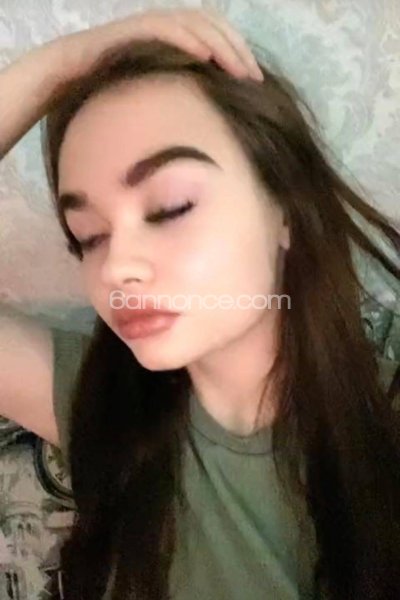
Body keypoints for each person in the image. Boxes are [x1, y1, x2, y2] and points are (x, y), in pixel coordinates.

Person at [1, 6, 400, 600]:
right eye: (89, 236)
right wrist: (64, 64)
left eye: (170, 208)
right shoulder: (97, 406)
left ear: (286, 211)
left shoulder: (384, 425)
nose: (116, 266)